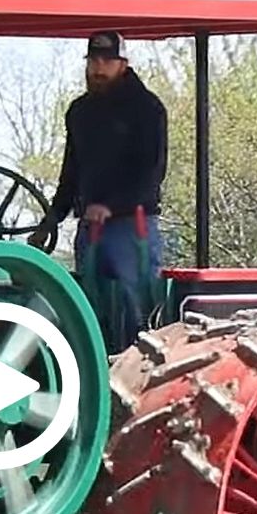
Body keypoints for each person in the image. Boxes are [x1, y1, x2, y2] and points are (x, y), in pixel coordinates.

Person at [47, 30, 168, 350]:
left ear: (123, 64)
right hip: (91, 227)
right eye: (94, 60)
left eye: (107, 61)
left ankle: (137, 373)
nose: (98, 68)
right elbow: (71, 168)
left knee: (135, 307)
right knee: (88, 303)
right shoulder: (80, 111)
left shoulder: (146, 108)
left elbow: (151, 171)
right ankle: (93, 372)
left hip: (131, 227)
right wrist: (53, 216)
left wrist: (111, 206)